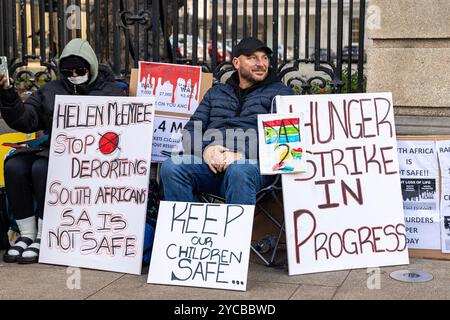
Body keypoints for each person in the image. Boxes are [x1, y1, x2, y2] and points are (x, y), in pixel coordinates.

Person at [0, 38, 124, 264]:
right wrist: (8, 94)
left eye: (80, 70)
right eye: (68, 71)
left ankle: (45, 234)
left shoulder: (109, 90)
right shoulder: (50, 90)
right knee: (14, 166)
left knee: (41, 168)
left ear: (91, 67)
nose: (75, 75)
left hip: (88, 157)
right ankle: (26, 233)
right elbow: (26, 120)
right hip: (53, 148)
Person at [160, 37, 294, 205]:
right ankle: (190, 229)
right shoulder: (216, 93)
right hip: (210, 165)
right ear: (237, 63)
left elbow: (283, 141)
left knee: (239, 171)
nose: (261, 63)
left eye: (265, 58)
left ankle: (236, 232)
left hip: (252, 167)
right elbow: (191, 130)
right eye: (253, 58)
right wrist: (207, 151)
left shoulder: (281, 94)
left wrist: (239, 155)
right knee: (172, 167)